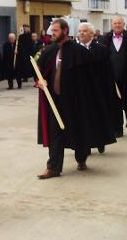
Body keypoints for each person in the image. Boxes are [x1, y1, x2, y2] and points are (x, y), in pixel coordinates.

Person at [36, 20, 116, 178]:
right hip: (54, 101)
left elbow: (90, 78)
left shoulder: (79, 52)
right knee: (55, 133)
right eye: (51, 30)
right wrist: (40, 81)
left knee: (79, 130)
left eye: (56, 30)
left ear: (65, 31)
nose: (52, 33)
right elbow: (40, 71)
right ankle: (53, 167)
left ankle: (81, 158)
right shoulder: (48, 50)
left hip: (76, 101)